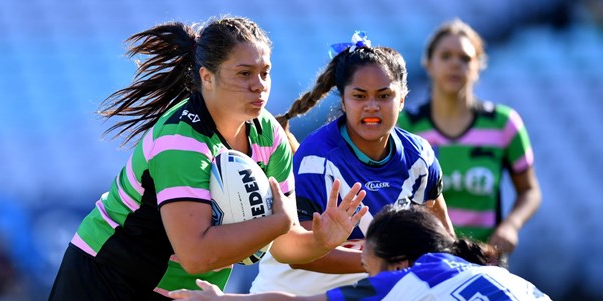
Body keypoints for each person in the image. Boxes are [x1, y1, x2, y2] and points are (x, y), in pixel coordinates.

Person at [48, 16, 369, 301]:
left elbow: (283, 243)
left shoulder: (270, 137)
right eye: (244, 73)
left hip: (186, 292)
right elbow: (196, 255)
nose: (259, 86)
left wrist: (321, 240)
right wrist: (275, 223)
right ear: (207, 77)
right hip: (108, 278)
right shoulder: (181, 139)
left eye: (265, 73)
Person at [250, 31, 455, 296]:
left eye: (384, 96)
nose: (372, 106)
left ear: (402, 99)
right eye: (359, 96)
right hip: (293, 293)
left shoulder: (420, 156)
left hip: (369, 290)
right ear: (344, 101)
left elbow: (443, 238)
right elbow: (299, 255)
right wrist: (383, 263)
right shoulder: (316, 160)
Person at [169, 205, 551, 301]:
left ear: (398, 265)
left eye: (368, 268)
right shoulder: (500, 276)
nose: (369, 278)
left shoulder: (408, 281)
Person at [397, 19, 542, 256]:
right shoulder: (405, 126)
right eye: (446, 56)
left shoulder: (503, 123)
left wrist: (511, 226)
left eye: (464, 58)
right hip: (422, 258)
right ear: (428, 64)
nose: (455, 64)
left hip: (483, 260)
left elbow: (530, 191)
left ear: (478, 67)